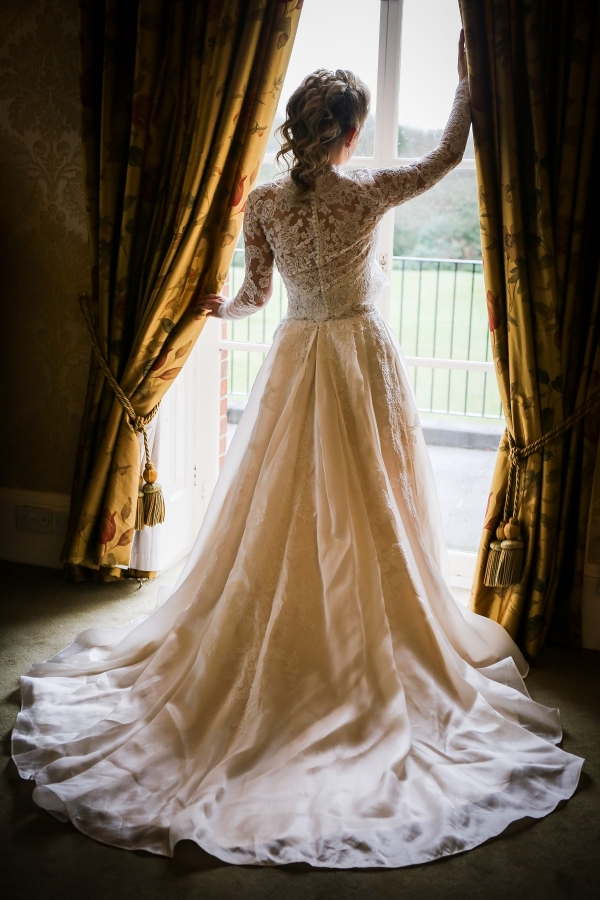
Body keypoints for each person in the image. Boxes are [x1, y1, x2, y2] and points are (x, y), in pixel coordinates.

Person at [12, 32, 582, 868]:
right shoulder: (371, 189)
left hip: (296, 355)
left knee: (277, 503)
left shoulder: (267, 204)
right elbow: (445, 157)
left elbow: (253, 294)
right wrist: (466, 84)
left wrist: (224, 311)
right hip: (358, 358)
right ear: (347, 133)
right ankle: (358, 644)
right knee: (373, 498)